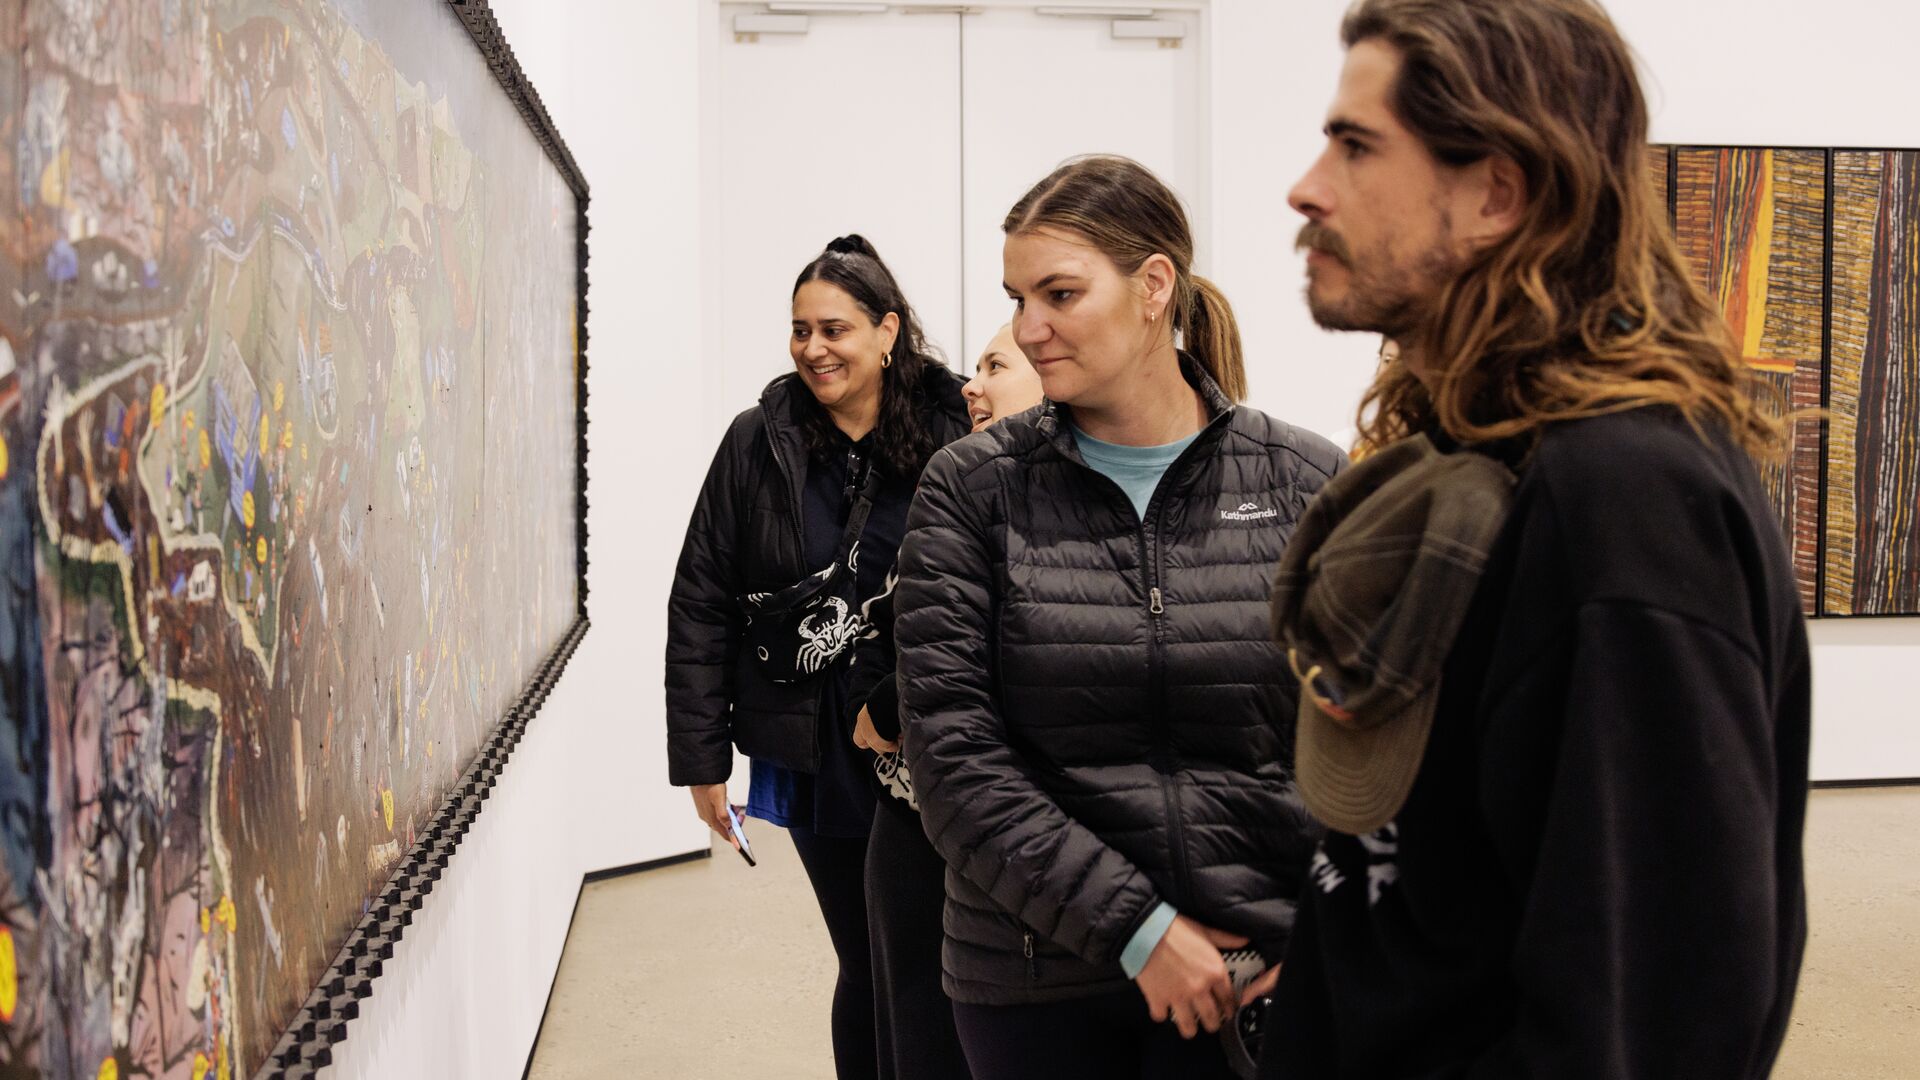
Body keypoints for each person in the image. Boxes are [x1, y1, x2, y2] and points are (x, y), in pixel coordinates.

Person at [1264, 1, 1810, 1077]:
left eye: (1357, 145)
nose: (1307, 186)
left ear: (1496, 194)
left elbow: (1650, 1014)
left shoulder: (1624, 502)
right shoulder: (1484, 449)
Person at [892, 155, 1346, 1080]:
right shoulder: (972, 487)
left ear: (1153, 286)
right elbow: (950, 757)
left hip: (1257, 975)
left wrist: (1333, 939)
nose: (1029, 329)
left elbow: (1365, 747)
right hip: (1037, 984)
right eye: (1019, 298)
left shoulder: (1305, 482)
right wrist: (1141, 930)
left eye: (1059, 293)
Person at [665, 235, 970, 1080]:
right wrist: (701, 759)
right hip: (813, 744)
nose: (812, 349)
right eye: (800, 330)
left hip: (922, 733)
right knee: (867, 958)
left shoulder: (958, 431)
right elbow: (701, 597)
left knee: (931, 964)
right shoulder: (757, 441)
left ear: (888, 331)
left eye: (833, 329)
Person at [849, 323, 1042, 1080]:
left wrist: (893, 707)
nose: (973, 382)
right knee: (909, 1023)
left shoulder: (1029, 500)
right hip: (910, 814)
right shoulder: (963, 481)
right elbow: (901, 622)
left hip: (971, 825)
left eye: (996, 365)